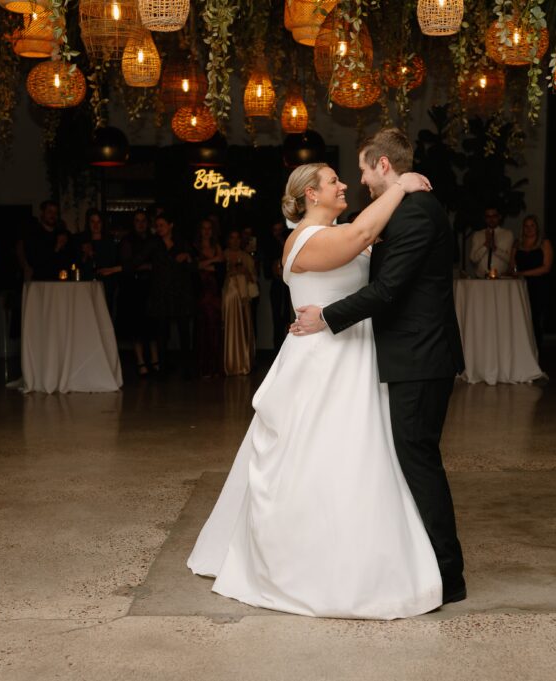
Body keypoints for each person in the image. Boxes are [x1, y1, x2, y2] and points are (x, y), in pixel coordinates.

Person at [188, 159, 446, 619]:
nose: (343, 184)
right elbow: (361, 238)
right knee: (320, 457)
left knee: (360, 458)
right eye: (333, 181)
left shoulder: (339, 230)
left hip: (355, 357)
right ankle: (305, 563)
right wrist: (401, 186)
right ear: (310, 193)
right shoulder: (303, 239)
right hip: (322, 363)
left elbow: (368, 250)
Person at [291, 128, 468, 607]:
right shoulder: (405, 208)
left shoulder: (414, 212)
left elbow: (386, 289)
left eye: (366, 169)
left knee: (419, 462)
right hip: (411, 355)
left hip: (419, 356)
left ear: (383, 167)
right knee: (409, 460)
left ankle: (447, 575)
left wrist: (327, 317)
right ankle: (423, 563)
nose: (360, 180)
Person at [105, 213, 196, 376]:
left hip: (180, 293)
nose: (158, 228)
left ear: (170, 225)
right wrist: (116, 269)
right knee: (161, 332)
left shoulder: (181, 242)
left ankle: (188, 369)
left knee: (183, 331)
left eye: (162, 225)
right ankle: (161, 369)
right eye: (157, 225)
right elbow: (137, 260)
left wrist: (188, 258)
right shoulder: (154, 243)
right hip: (161, 293)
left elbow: (193, 265)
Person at [116, 210, 160, 376]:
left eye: (143, 220)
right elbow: (127, 265)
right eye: (137, 221)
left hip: (151, 287)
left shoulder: (153, 240)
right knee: (136, 326)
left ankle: (155, 361)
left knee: (152, 325)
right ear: (133, 223)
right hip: (134, 288)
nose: (141, 224)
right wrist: (146, 266)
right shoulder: (127, 241)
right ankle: (141, 361)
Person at [510, 214, 553, 351]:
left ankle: (536, 351)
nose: (529, 229)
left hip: (538, 286)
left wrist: (523, 273)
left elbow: (546, 267)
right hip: (520, 286)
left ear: (537, 228)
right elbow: (512, 265)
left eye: (532, 226)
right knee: (519, 319)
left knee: (535, 319)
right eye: (526, 226)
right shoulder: (517, 243)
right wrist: (515, 272)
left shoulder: (544, 243)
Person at [222, 228, 257, 376]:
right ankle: (230, 362)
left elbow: (254, 280)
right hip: (228, 298)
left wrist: (245, 272)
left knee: (244, 327)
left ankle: (243, 362)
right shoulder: (222, 255)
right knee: (228, 328)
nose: (235, 241)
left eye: (237, 238)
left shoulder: (246, 257)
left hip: (243, 298)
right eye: (232, 237)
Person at [194, 218, 224, 378]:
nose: (206, 231)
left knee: (214, 328)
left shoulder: (216, 246)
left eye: (209, 228)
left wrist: (207, 264)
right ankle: (204, 368)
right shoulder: (195, 247)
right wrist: (211, 262)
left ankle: (214, 368)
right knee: (203, 329)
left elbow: (220, 266)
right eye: (203, 228)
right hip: (201, 291)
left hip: (214, 291)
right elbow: (196, 267)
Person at [16, 200, 73, 282]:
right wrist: (56, 248)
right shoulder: (34, 235)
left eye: (55, 212)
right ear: (42, 213)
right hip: (40, 282)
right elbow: (35, 262)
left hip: (61, 282)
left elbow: (69, 259)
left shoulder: (62, 233)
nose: (53, 215)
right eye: (50, 212)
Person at [264, 220, 293, 351]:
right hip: (277, 286)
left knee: (290, 317)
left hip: (289, 286)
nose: (278, 233)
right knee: (277, 318)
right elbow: (267, 272)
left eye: (280, 230)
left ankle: (290, 348)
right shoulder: (269, 246)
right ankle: (278, 349)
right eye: (276, 230)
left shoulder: (289, 242)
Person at [468, 206, 513, 278]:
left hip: (501, 279)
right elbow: (473, 259)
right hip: (481, 279)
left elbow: (510, 259)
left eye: (494, 216)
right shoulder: (478, 235)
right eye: (488, 216)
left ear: (499, 217)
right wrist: (485, 245)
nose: (491, 219)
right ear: (484, 218)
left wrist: (495, 248)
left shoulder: (507, 234)